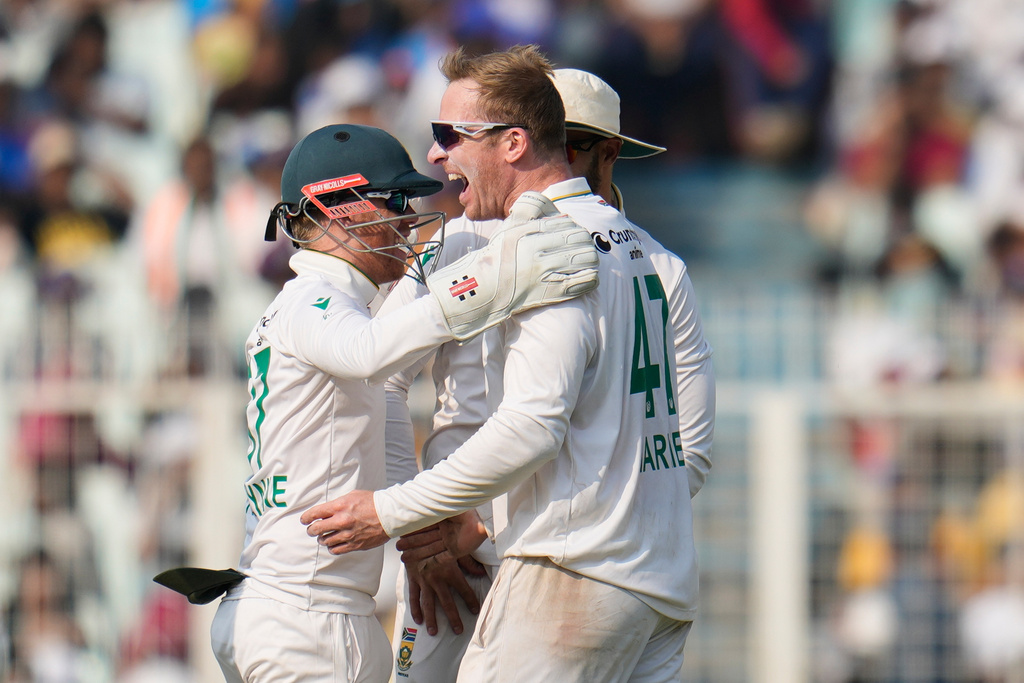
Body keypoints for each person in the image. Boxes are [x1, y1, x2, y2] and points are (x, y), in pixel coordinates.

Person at [301, 46, 711, 681]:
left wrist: (432, 520)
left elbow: (531, 428)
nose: (438, 155)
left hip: (552, 555)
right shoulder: (653, 261)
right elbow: (686, 454)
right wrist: (427, 531)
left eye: (450, 137)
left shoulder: (554, 247)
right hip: (592, 562)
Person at [203, 122, 599, 682]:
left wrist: (421, 530)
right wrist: (494, 277)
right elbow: (369, 355)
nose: (410, 218)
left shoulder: (327, 305)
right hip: (306, 617)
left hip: (305, 611)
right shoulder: (311, 302)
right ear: (334, 207)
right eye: (394, 200)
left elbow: (381, 401)